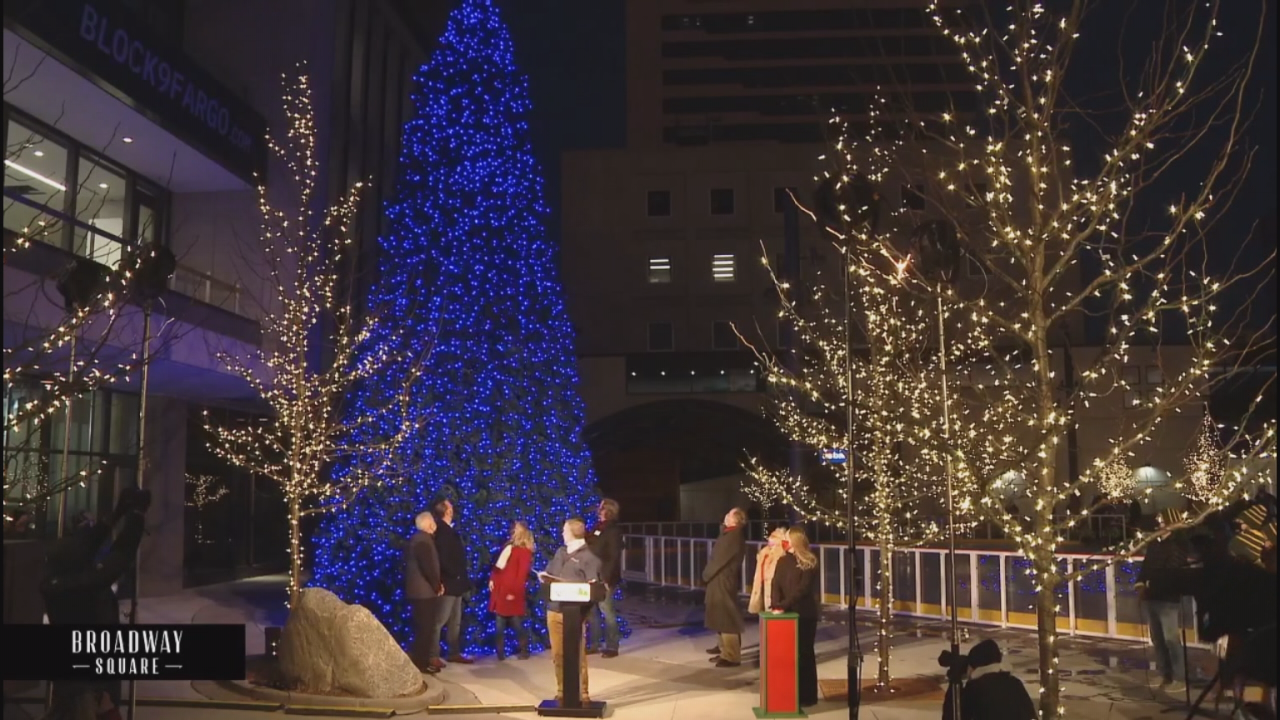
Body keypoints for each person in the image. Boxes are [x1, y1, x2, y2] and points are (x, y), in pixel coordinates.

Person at [539, 518, 602, 706]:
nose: (561, 533)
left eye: (564, 530)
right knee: (558, 654)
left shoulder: (589, 558)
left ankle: (582, 693)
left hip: (575, 615)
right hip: (555, 610)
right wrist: (544, 577)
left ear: (573, 533)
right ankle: (561, 691)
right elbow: (550, 572)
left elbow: (593, 587)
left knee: (576, 654)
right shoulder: (560, 552)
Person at [1135, 517, 1190, 694]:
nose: (1158, 526)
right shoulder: (1154, 545)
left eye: (1162, 523)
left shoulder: (1176, 547)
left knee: (1171, 639)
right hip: (1152, 597)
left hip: (1167, 599)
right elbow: (1146, 567)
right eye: (1158, 523)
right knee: (1157, 638)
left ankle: (1179, 677)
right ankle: (1163, 673)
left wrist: (1149, 584)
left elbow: (1170, 573)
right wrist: (1140, 582)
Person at [770, 526, 820, 707]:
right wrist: (776, 604)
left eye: (787, 537)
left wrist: (784, 605)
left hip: (804, 614)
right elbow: (775, 583)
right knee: (788, 656)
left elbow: (803, 589)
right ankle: (789, 694)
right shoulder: (783, 561)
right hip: (785, 613)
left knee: (805, 654)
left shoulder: (809, 562)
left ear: (794, 540)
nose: (784, 540)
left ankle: (807, 696)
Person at [940, 639, 1036, 720]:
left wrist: (955, 681)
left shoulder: (975, 690)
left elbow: (952, 716)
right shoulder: (1015, 684)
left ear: (973, 668)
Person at [432, 497, 475, 666]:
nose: (453, 509)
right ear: (447, 511)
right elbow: (443, 558)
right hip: (449, 583)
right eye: (450, 507)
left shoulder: (449, 531)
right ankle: (433, 654)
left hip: (457, 583)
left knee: (455, 621)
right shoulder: (442, 532)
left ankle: (453, 652)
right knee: (440, 620)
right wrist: (453, 574)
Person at [703, 507, 747, 668]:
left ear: (734, 520)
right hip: (720, 580)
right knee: (720, 615)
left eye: (728, 514)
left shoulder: (732, 537)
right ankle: (724, 650)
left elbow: (718, 560)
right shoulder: (729, 534)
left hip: (722, 580)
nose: (725, 516)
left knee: (727, 616)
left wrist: (706, 575)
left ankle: (731, 655)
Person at [405, 512, 444, 674]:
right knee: (425, 629)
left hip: (420, 591)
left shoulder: (418, 540)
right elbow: (427, 567)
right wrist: (437, 586)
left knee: (423, 629)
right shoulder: (422, 541)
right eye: (433, 521)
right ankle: (421, 664)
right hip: (424, 593)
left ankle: (421, 661)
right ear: (428, 524)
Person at [489, 520, 534, 660]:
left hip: (511, 590)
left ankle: (524, 649)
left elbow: (521, 575)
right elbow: (499, 566)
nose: (513, 532)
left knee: (515, 622)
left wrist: (513, 593)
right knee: (500, 622)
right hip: (501, 589)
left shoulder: (524, 552)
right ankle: (500, 652)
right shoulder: (509, 547)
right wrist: (492, 579)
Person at [585, 498, 623, 658]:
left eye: (601, 508)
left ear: (607, 510)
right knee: (592, 611)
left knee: (607, 610)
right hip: (592, 575)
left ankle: (612, 646)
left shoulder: (613, 530)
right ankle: (594, 644)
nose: (598, 510)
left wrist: (606, 579)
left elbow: (613, 557)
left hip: (604, 577)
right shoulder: (598, 527)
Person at [748, 526, 788, 615]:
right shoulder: (764, 553)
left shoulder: (781, 554)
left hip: (773, 585)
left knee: (771, 606)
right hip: (763, 584)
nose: (770, 541)